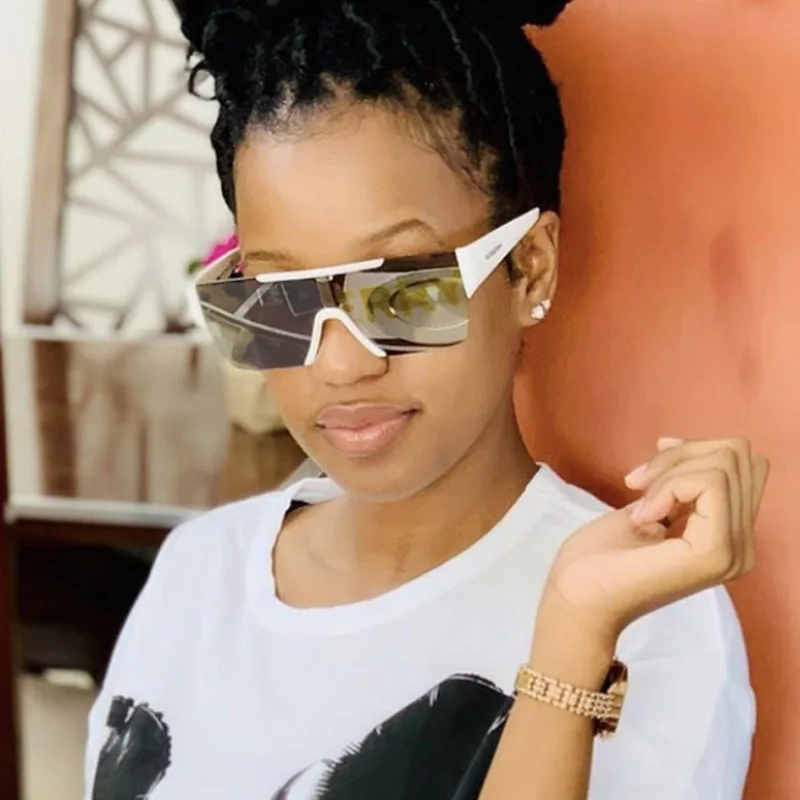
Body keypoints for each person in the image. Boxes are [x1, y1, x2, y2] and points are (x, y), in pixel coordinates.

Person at [83, 1, 770, 798]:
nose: (341, 365)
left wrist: (572, 640)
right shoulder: (199, 572)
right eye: (281, 298)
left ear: (529, 269)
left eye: (404, 291)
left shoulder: (650, 621)